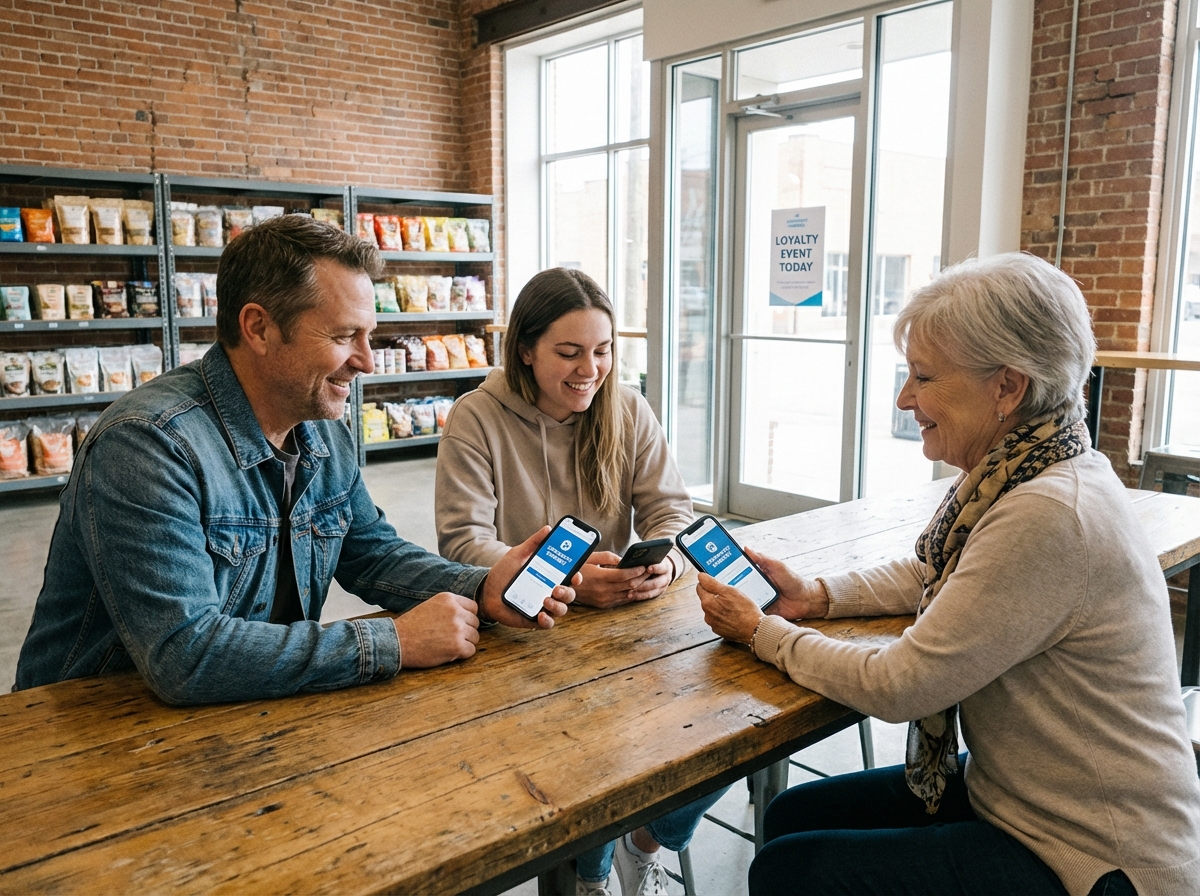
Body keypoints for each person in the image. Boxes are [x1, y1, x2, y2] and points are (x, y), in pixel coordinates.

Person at [697, 252, 1200, 896]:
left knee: (792, 870)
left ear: (1007, 386)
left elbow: (903, 685)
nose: (906, 399)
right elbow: (941, 571)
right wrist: (817, 597)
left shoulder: (1047, 513)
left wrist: (761, 632)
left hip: (1094, 856)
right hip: (1023, 798)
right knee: (793, 814)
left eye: (924, 378)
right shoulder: (1036, 463)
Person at [14, 214, 573, 705]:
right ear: (258, 327)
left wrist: (481, 587)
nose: (367, 362)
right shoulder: (147, 445)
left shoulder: (322, 432)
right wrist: (393, 643)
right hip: (83, 743)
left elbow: (371, 554)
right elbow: (185, 656)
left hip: (241, 713)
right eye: (344, 336)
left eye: (370, 335)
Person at [435, 267, 722, 896]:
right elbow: (461, 543)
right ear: (526, 350)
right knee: (590, 765)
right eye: (568, 352)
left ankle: (642, 845)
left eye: (602, 350)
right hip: (525, 641)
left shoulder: (627, 407)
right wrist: (560, 577)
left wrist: (663, 564)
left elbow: (672, 512)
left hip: (630, 629)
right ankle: (590, 874)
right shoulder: (475, 418)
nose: (589, 369)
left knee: (723, 727)